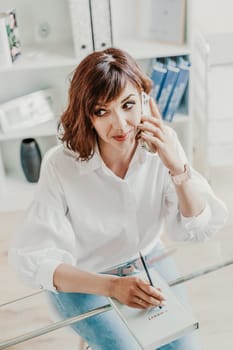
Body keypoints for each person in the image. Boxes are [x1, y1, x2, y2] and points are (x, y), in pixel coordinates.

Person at [9, 48, 228, 350]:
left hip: (146, 259)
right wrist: (111, 286)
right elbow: (33, 260)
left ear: (144, 101)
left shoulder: (163, 146)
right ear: (87, 115)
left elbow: (196, 228)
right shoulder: (60, 165)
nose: (121, 124)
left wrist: (178, 168)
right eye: (102, 111)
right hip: (84, 278)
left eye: (128, 105)